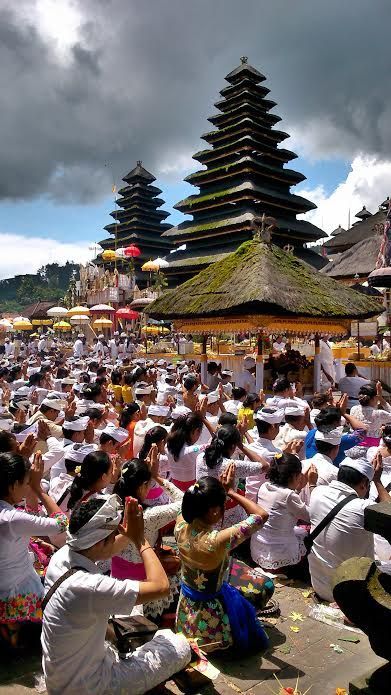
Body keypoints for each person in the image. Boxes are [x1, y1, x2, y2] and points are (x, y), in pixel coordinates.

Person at [41, 496, 191, 694]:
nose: (116, 542)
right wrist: (141, 541)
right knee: (177, 645)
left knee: (130, 618)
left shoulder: (62, 556)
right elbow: (161, 586)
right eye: (113, 538)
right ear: (99, 542)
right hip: (89, 687)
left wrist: (129, 534)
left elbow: (107, 548)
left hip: (60, 679)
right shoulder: (90, 587)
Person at [175, 466, 272, 653]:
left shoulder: (180, 526)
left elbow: (180, 499)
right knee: (262, 584)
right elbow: (261, 515)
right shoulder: (218, 540)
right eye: (223, 505)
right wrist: (232, 492)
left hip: (186, 609)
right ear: (213, 511)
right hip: (213, 616)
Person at [0, 451, 68, 646]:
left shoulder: (13, 517)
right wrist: (38, 490)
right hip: (17, 594)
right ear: (13, 485)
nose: (27, 487)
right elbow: (62, 523)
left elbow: (30, 524)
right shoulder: (12, 518)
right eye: (26, 483)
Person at [308, 455, 391, 602]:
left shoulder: (317, 493)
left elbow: (314, 489)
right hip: (350, 597)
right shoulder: (362, 508)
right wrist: (377, 480)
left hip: (320, 587)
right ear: (364, 484)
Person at [112, 453, 183, 618]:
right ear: (142, 486)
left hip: (116, 574)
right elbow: (186, 501)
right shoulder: (148, 516)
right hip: (143, 580)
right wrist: (158, 477)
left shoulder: (111, 503)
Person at [251, 453, 317, 577]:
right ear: (293, 476)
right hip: (277, 551)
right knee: (307, 533)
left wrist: (297, 489)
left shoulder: (265, 486)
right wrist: (312, 485)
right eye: (298, 476)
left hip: (259, 546)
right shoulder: (288, 495)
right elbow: (311, 516)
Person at [196, 425, 269, 525]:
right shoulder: (232, 465)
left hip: (203, 512)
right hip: (226, 516)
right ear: (233, 446)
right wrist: (241, 446)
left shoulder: (200, 457)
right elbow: (265, 466)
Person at [166, 412, 206, 491]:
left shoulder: (167, 446)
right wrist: (204, 420)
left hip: (175, 488)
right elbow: (218, 441)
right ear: (196, 431)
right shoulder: (193, 451)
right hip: (193, 491)